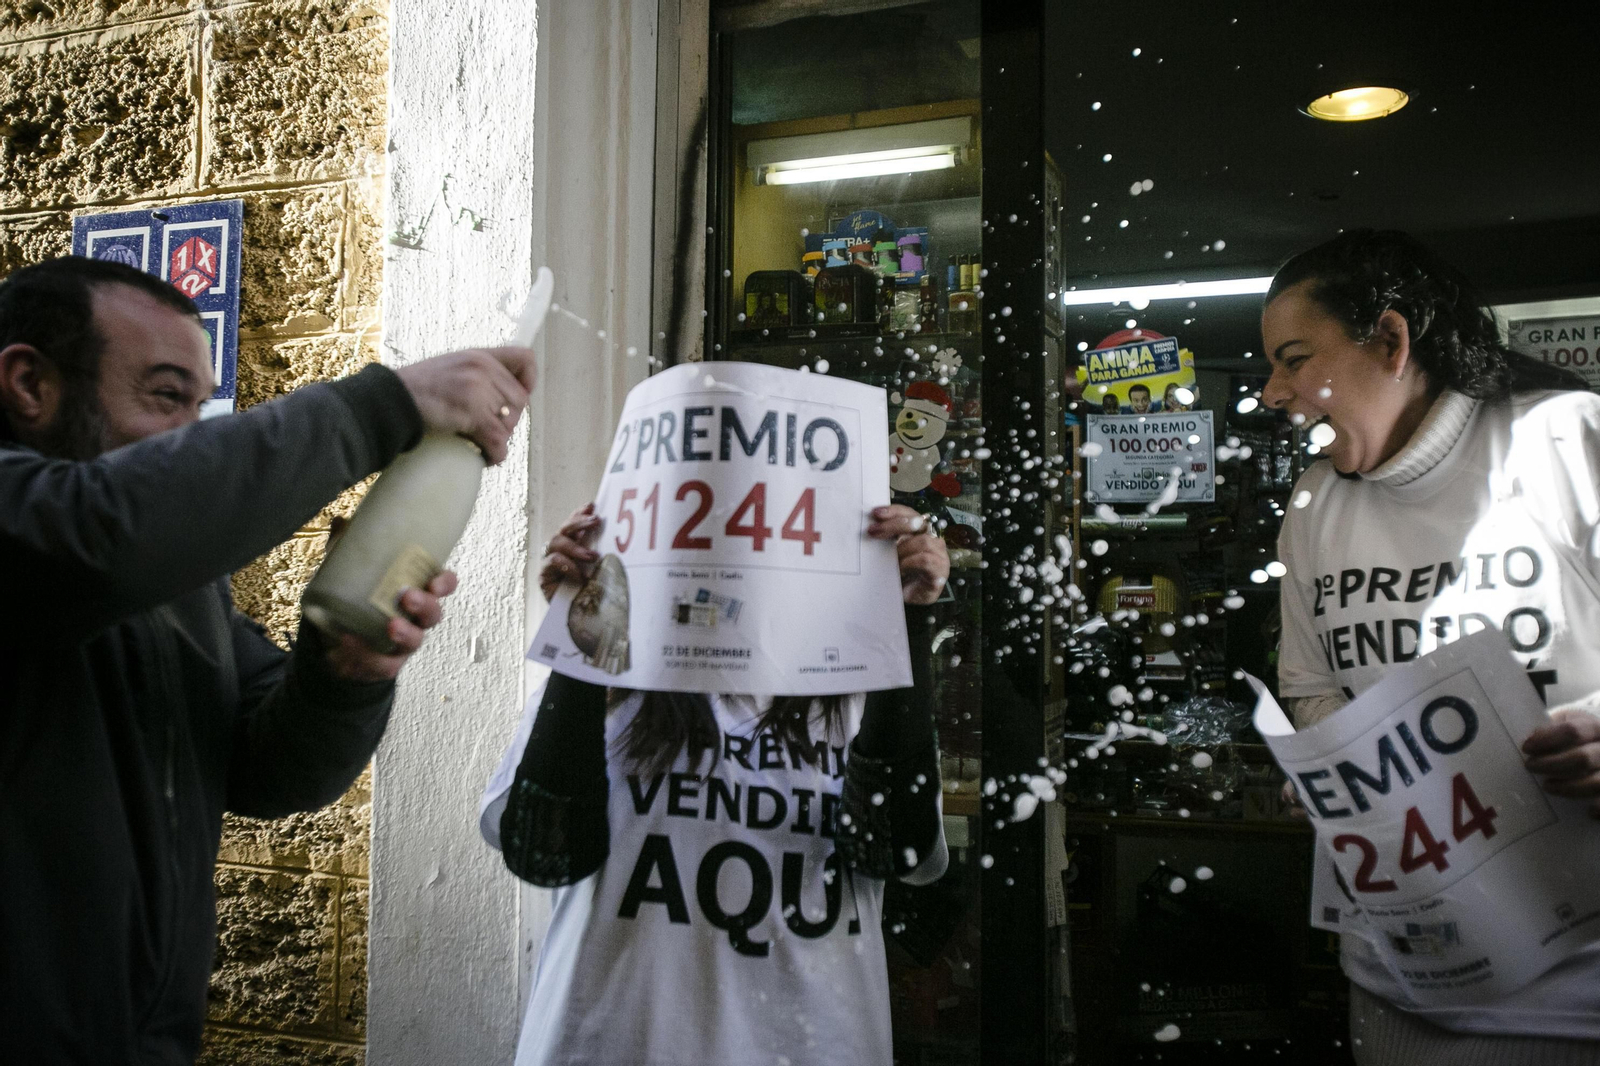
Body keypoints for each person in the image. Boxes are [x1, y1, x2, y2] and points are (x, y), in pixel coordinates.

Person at [0, 256, 537, 1062]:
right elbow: (100, 533)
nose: (192, 432)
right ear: (30, 385)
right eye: (165, 395)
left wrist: (342, 674)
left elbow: (269, 769)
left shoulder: (178, 587)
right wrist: (385, 404)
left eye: (200, 405)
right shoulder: (59, 529)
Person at [1265, 229, 1600, 1064]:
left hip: (1580, 989)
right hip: (1401, 980)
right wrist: (1333, 764)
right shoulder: (1314, 504)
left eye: (1295, 360)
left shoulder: (1564, 440)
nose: (1274, 392)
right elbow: (1309, 684)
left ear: (1391, 340)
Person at [480, 502, 950, 1066]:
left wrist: (906, 620)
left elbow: (895, 850)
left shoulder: (856, 694)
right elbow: (544, 854)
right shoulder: (617, 683)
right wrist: (583, 635)